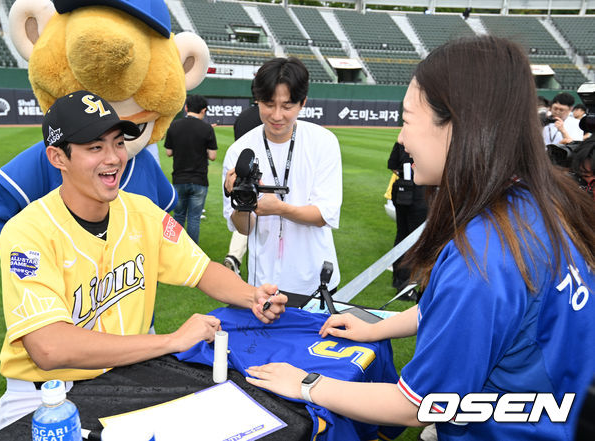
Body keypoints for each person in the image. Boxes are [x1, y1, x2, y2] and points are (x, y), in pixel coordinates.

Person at [244, 36, 595, 440]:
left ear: (458, 124)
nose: (402, 139)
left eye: (408, 119)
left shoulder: (483, 254)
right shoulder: (537, 204)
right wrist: (376, 328)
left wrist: (305, 383)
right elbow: (472, 317)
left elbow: (417, 405)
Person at [0, 91, 287, 435]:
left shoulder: (142, 211)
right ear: (58, 157)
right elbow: (50, 348)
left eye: (117, 143)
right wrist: (172, 341)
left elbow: (201, 269)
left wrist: (253, 297)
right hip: (46, 399)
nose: (114, 158)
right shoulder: (27, 232)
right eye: (94, 147)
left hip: (129, 374)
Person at [222, 57, 342, 298]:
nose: (276, 115)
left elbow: (323, 215)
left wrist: (279, 208)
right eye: (268, 104)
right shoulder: (240, 151)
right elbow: (244, 229)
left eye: (287, 106)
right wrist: (244, 202)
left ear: (302, 103)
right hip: (262, 283)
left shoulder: (323, 142)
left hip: (314, 282)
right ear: (257, 100)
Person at [164, 95, 217, 244]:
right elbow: (212, 156)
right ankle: (192, 255)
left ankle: (175, 250)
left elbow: (168, 152)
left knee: (179, 216)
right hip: (199, 180)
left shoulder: (174, 125)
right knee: (194, 219)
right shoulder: (206, 128)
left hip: (179, 178)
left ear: (186, 108)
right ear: (203, 110)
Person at [223, 102, 263, 275]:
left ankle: (234, 256)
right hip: (257, 172)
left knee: (244, 210)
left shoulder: (242, 117)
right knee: (250, 214)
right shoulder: (264, 118)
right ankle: (235, 257)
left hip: (242, 171)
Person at [387, 141, 428, 293]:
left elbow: (393, 165)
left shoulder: (402, 140)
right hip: (417, 193)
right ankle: (406, 285)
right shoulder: (425, 140)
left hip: (402, 190)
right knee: (414, 240)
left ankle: (399, 280)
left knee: (403, 236)